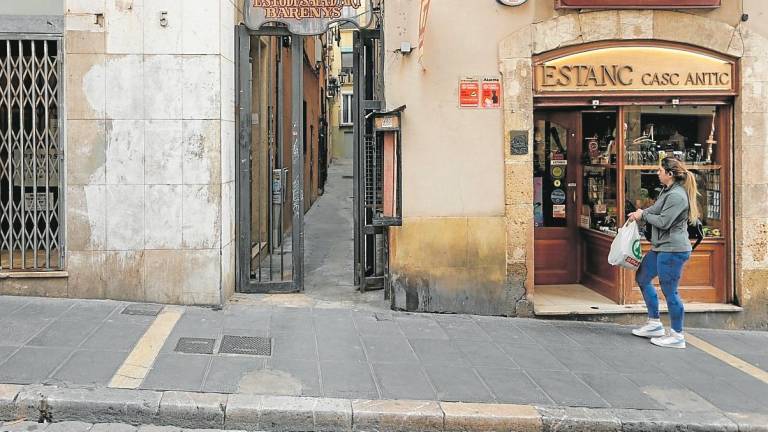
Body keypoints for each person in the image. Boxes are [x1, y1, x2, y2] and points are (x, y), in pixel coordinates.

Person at [627, 156, 699, 349]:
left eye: (660, 170)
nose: (657, 173)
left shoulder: (677, 196)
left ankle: (677, 335)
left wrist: (643, 215)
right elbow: (654, 210)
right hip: (661, 247)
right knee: (642, 277)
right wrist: (639, 213)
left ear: (669, 174)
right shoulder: (667, 191)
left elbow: (663, 222)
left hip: (673, 249)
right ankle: (654, 324)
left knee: (670, 291)